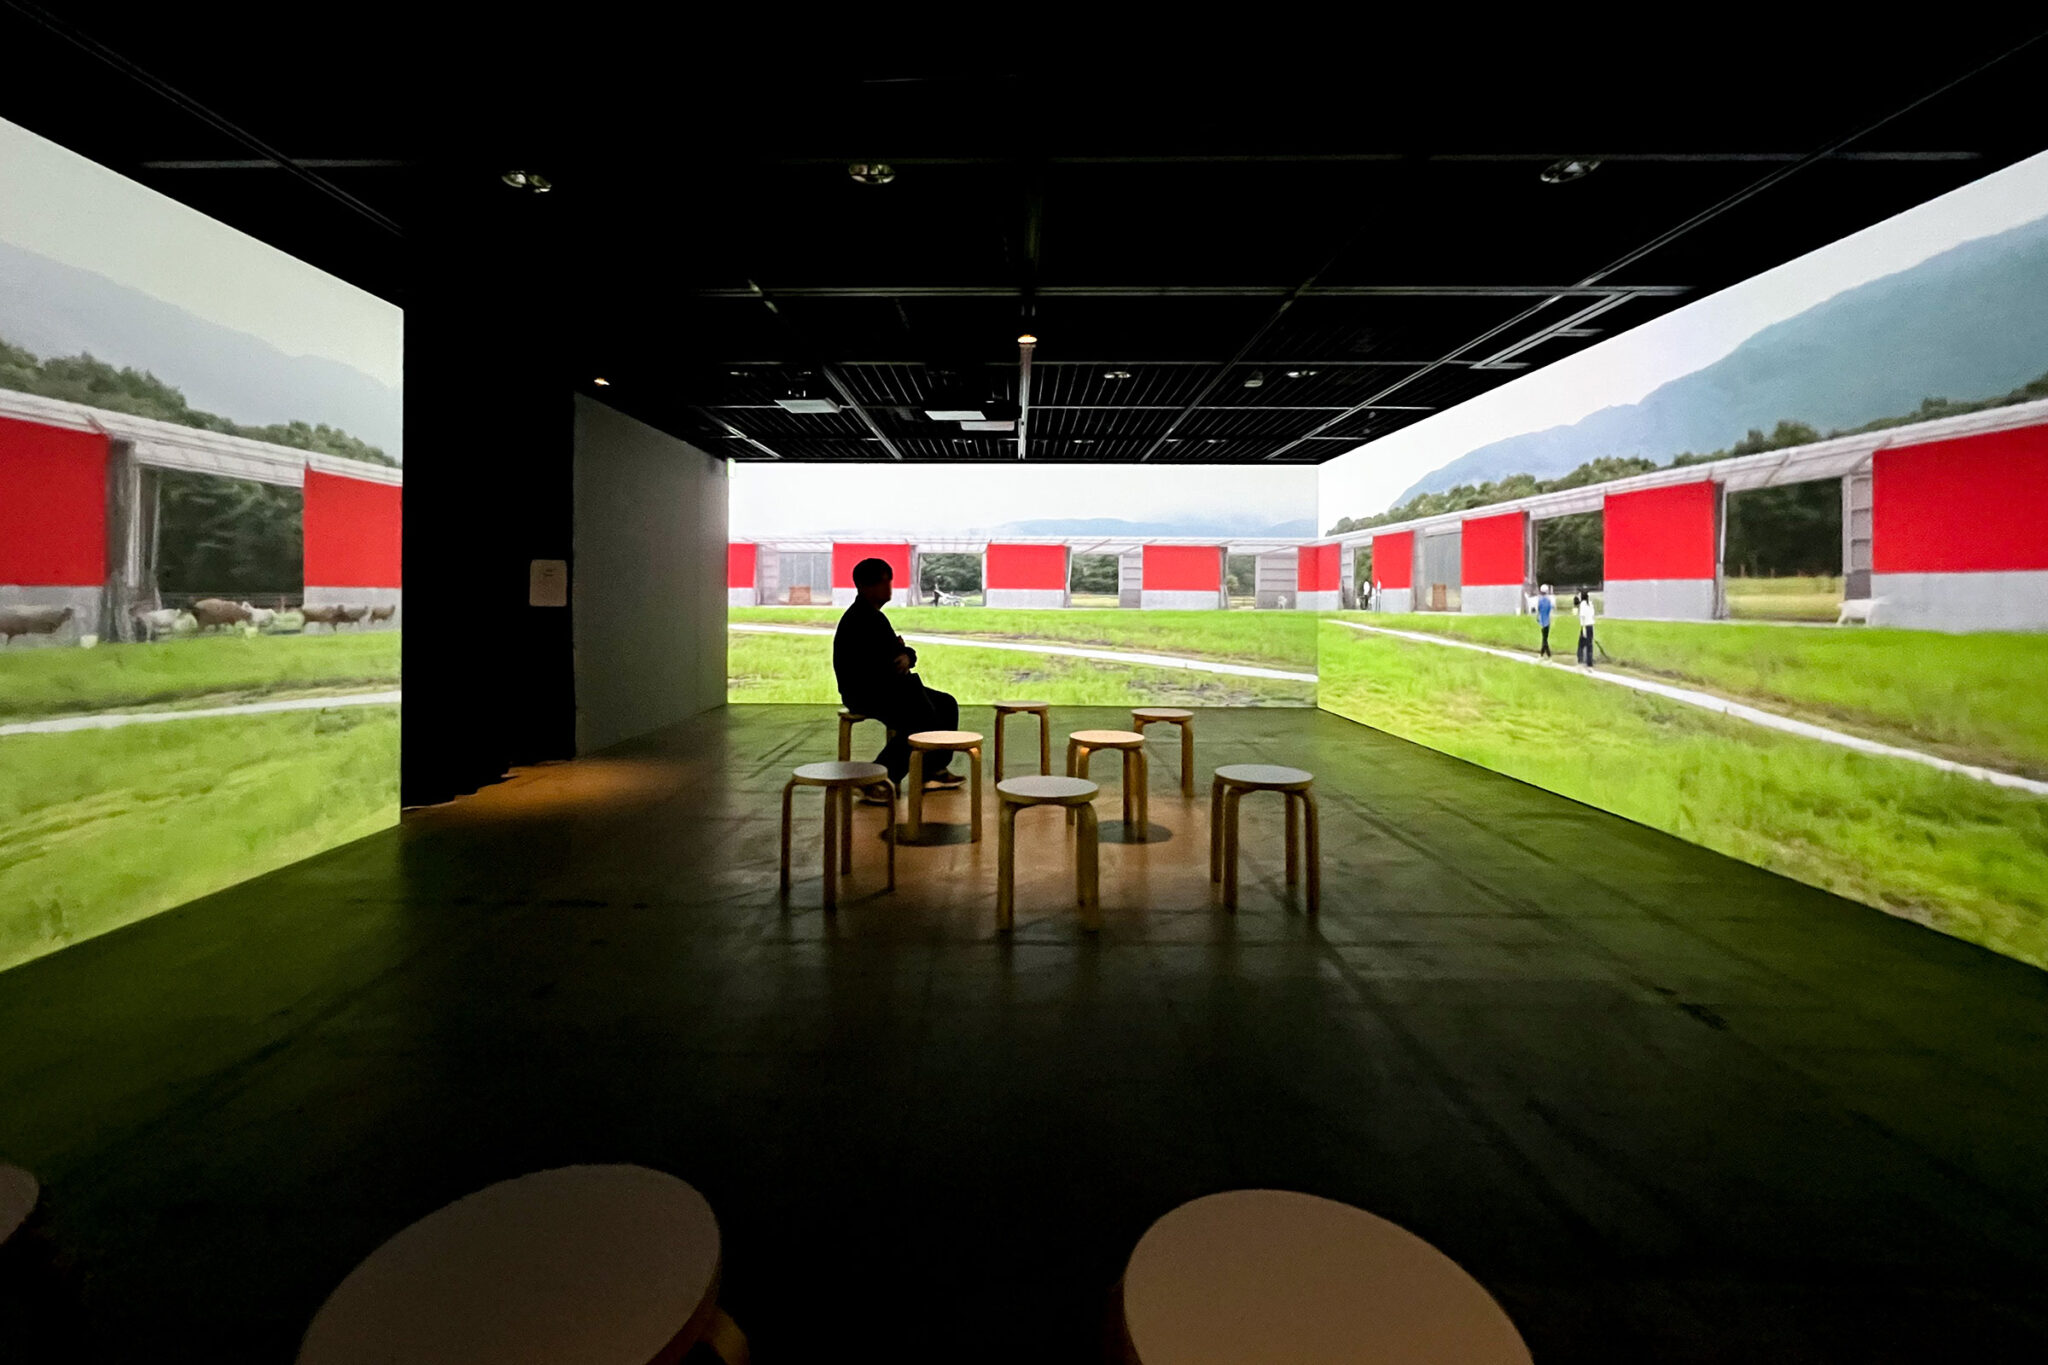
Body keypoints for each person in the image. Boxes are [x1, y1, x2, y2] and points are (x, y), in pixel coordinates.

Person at [834, 557, 961, 799]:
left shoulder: (872, 616)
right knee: (921, 719)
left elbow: (898, 654)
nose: (889, 587)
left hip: (883, 688)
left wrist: (905, 655)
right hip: (867, 693)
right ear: (867, 586)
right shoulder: (862, 619)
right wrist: (902, 654)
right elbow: (889, 659)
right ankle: (879, 778)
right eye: (884, 581)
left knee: (946, 704)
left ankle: (932, 770)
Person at [1576, 589, 1597, 667]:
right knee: (1589, 645)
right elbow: (1592, 615)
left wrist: (1583, 629)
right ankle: (1589, 661)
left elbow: (1582, 617)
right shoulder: (1590, 604)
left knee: (1581, 644)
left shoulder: (1582, 604)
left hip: (1585, 626)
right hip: (1591, 626)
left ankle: (1580, 659)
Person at [1535, 583, 1555, 658]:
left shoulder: (1540, 600)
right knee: (1545, 638)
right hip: (1547, 621)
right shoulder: (1548, 600)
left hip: (1542, 621)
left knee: (1544, 638)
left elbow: (1539, 610)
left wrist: (1537, 617)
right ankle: (1546, 654)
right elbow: (1551, 610)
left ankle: (1543, 654)